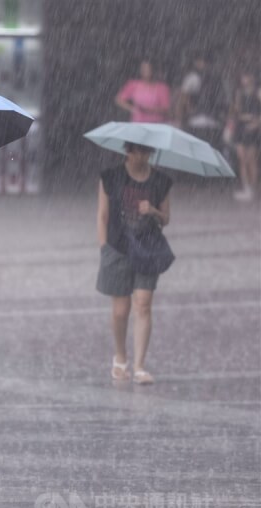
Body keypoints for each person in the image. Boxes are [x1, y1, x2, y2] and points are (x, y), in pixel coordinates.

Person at [96, 142, 172, 386]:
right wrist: (104, 247)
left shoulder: (161, 181)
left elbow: (166, 218)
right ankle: (121, 356)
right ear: (129, 152)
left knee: (143, 304)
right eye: (141, 151)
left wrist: (153, 211)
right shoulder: (111, 177)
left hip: (148, 248)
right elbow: (102, 215)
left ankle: (139, 365)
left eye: (149, 151)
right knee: (120, 310)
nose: (145, 156)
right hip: (118, 248)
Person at [176, 53, 228, 150]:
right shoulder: (192, 78)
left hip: (213, 122)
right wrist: (185, 114)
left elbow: (222, 99)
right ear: (196, 63)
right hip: (196, 121)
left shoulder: (217, 79)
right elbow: (183, 99)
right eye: (200, 61)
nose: (203, 64)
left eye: (205, 62)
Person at [228, 70, 261, 202]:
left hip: (253, 128)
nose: (244, 79)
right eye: (243, 76)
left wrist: (257, 123)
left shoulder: (258, 92)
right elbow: (236, 111)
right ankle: (246, 188)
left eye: (247, 76)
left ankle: (253, 188)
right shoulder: (239, 93)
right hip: (241, 127)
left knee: (251, 159)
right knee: (242, 158)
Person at [115, 59, 171, 123]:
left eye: (148, 68)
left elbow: (166, 109)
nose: (146, 71)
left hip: (157, 124)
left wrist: (149, 110)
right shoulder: (133, 84)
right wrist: (132, 109)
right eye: (143, 68)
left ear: (153, 69)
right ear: (140, 70)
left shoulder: (162, 88)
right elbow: (119, 100)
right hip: (138, 123)